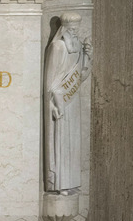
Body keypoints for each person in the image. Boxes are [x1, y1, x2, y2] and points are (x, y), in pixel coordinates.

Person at [44, 12, 92, 194]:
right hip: (59, 102)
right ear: (64, 29)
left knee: (72, 142)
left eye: (76, 29)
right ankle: (59, 184)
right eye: (71, 30)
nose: (74, 33)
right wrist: (52, 105)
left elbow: (81, 76)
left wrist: (88, 56)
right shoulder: (57, 47)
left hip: (72, 102)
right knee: (61, 140)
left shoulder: (77, 47)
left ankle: (71, 182)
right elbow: (49, 81)